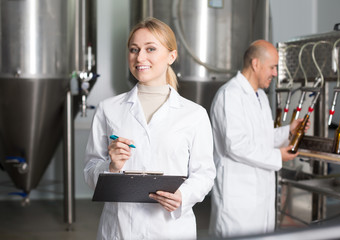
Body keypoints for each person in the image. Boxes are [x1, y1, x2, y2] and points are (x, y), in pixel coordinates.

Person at [84, 17, 216, 240]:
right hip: (120, 229)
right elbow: (89, 172)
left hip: (171, 230)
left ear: (171, 56)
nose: (140, 57)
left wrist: (183, 195)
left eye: (150, 49)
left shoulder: (194, 114)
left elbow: (204, 173)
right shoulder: (109, 109)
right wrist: (111, 166)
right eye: (134, 49)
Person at [208, 40, 310, 238]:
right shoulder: (230, 95)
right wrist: (277, 156)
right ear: (255, 64)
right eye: (272, 67)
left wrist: (289, 130)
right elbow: (235, 145)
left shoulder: (260, 96)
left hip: (260, 195)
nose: (275, 73)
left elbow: (262, 137)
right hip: (238, 198)